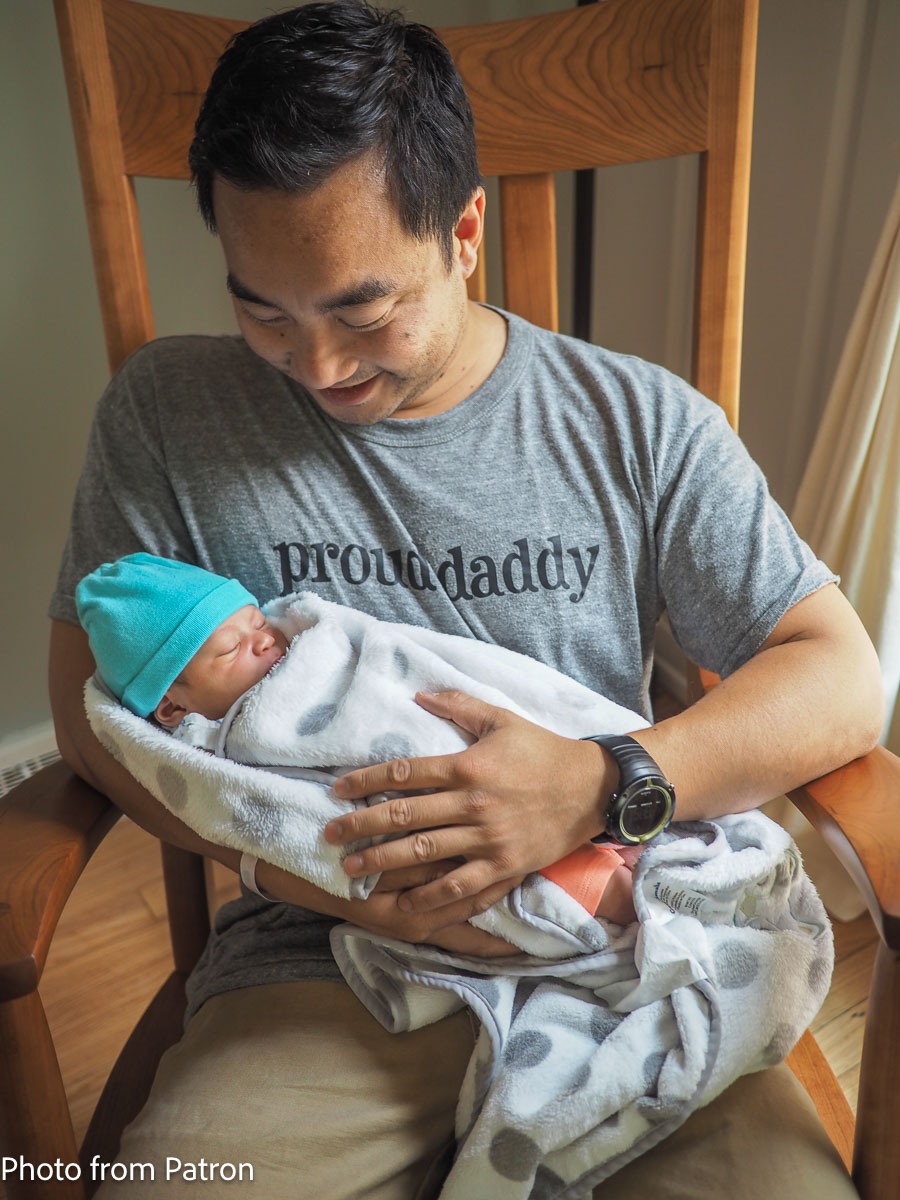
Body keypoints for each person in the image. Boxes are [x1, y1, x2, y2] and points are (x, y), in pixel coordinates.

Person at [47, 2, 882, 1196]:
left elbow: (840, 673)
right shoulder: (168, 417)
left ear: (464, 230)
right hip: (317, 958)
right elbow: (86, 713)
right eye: (263, 310)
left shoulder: (636, 425)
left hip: (627, 946)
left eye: (362, 309)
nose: (319, 367)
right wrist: (316, 874)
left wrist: (606, 784)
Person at [75, 551, 642, 927]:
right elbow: (288, 820)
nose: (265, 642)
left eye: (256, 623)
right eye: (230, 650)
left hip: (534, 765)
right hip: (440, 845)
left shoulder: (321, 645)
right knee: (598, 891)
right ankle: (633, 898)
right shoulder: (224, 756)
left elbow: (408, 669)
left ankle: (629, 852)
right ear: (173, 704)